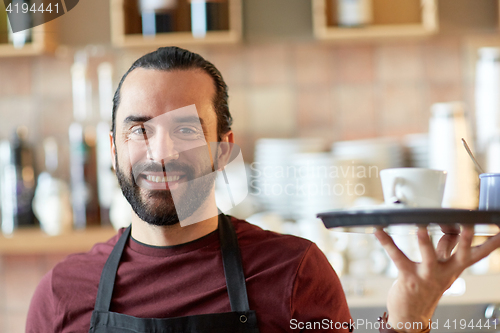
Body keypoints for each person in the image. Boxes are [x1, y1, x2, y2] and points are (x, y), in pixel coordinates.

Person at [26, 46, 500, 333]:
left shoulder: (294, 274)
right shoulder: (62, 295)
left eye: (187, 130)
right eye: (139, 130)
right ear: (112, 147)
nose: (161, 152)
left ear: (223, 148)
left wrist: (410, 316)